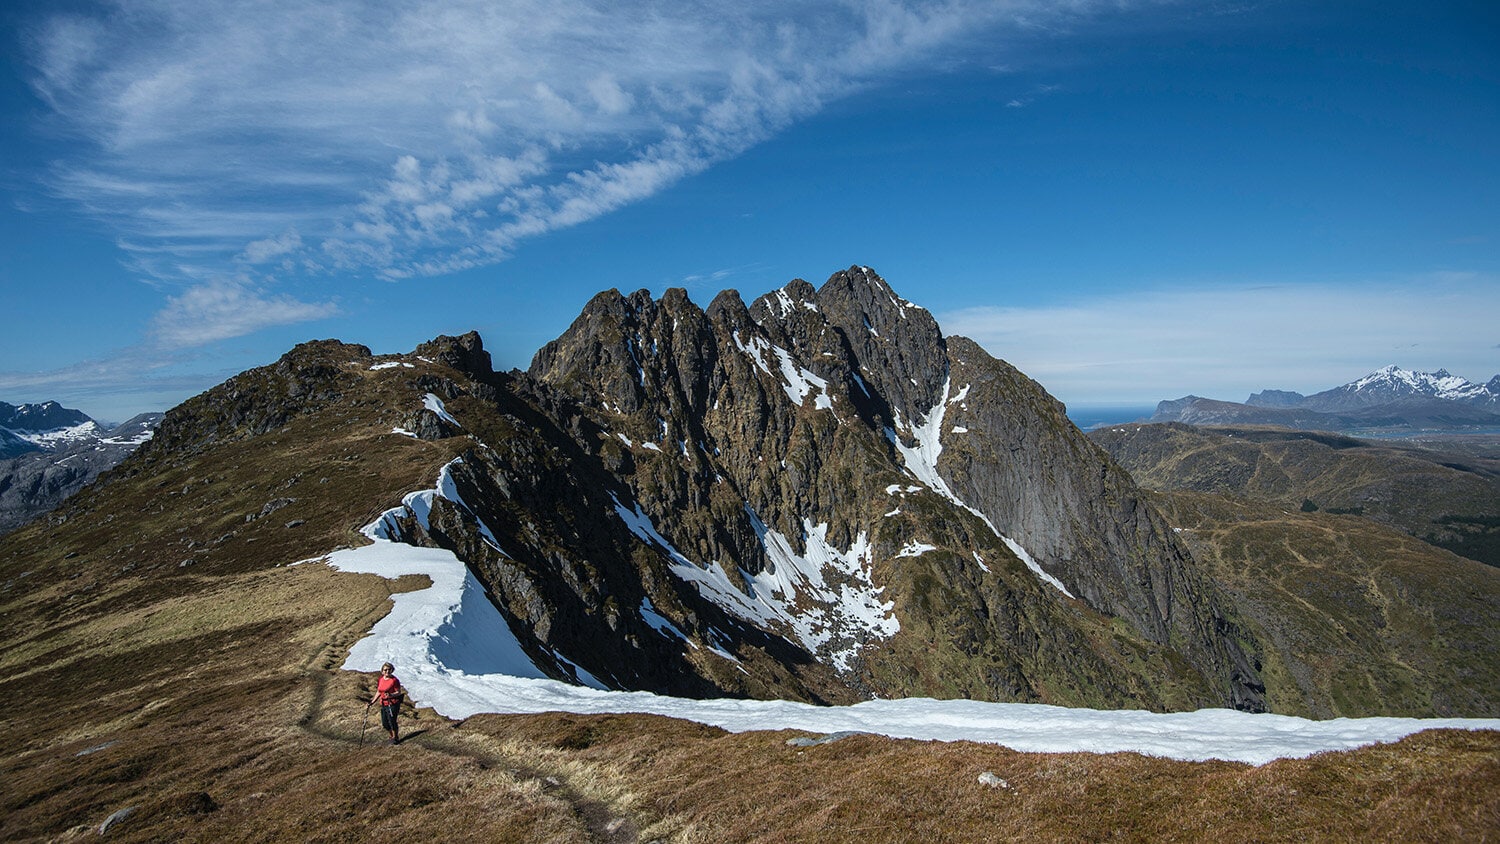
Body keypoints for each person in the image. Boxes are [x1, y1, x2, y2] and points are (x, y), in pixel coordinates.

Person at [371, 663, 409, 745]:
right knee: (385, 723)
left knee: (392, 721)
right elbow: (379, 691)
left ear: (392, 670)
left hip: (393, 703)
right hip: (383, 703)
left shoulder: (394, 680)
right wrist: (372, 702)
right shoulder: (381, 679)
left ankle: (395, 738)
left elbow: (398, 692)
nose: (387, 671)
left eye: (389, 670)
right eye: (385, 670)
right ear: (382, 671)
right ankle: (391, 736)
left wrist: (391, 695)